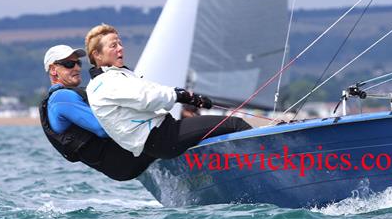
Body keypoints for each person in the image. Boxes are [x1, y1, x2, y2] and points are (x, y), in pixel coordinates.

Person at [84, 24, 251, 159]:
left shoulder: (104, 80)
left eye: (120, 43)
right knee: (235, 124)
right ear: (97, 54)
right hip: (162, 136)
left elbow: (151, 90)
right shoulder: (107, 82)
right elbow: (147, 98)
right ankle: (264, 164)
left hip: (155, 139)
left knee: (217, 135)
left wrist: (186, 96)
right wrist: (180, 95)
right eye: (113, 45)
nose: (120, 48)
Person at [39, 44, 156, 181]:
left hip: (122, 165)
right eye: (69, 64)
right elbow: (103, 128)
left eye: (78, 63)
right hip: (126, 159)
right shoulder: (61, 98)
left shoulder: (67, 97)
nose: (77, 68)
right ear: (53, 70)